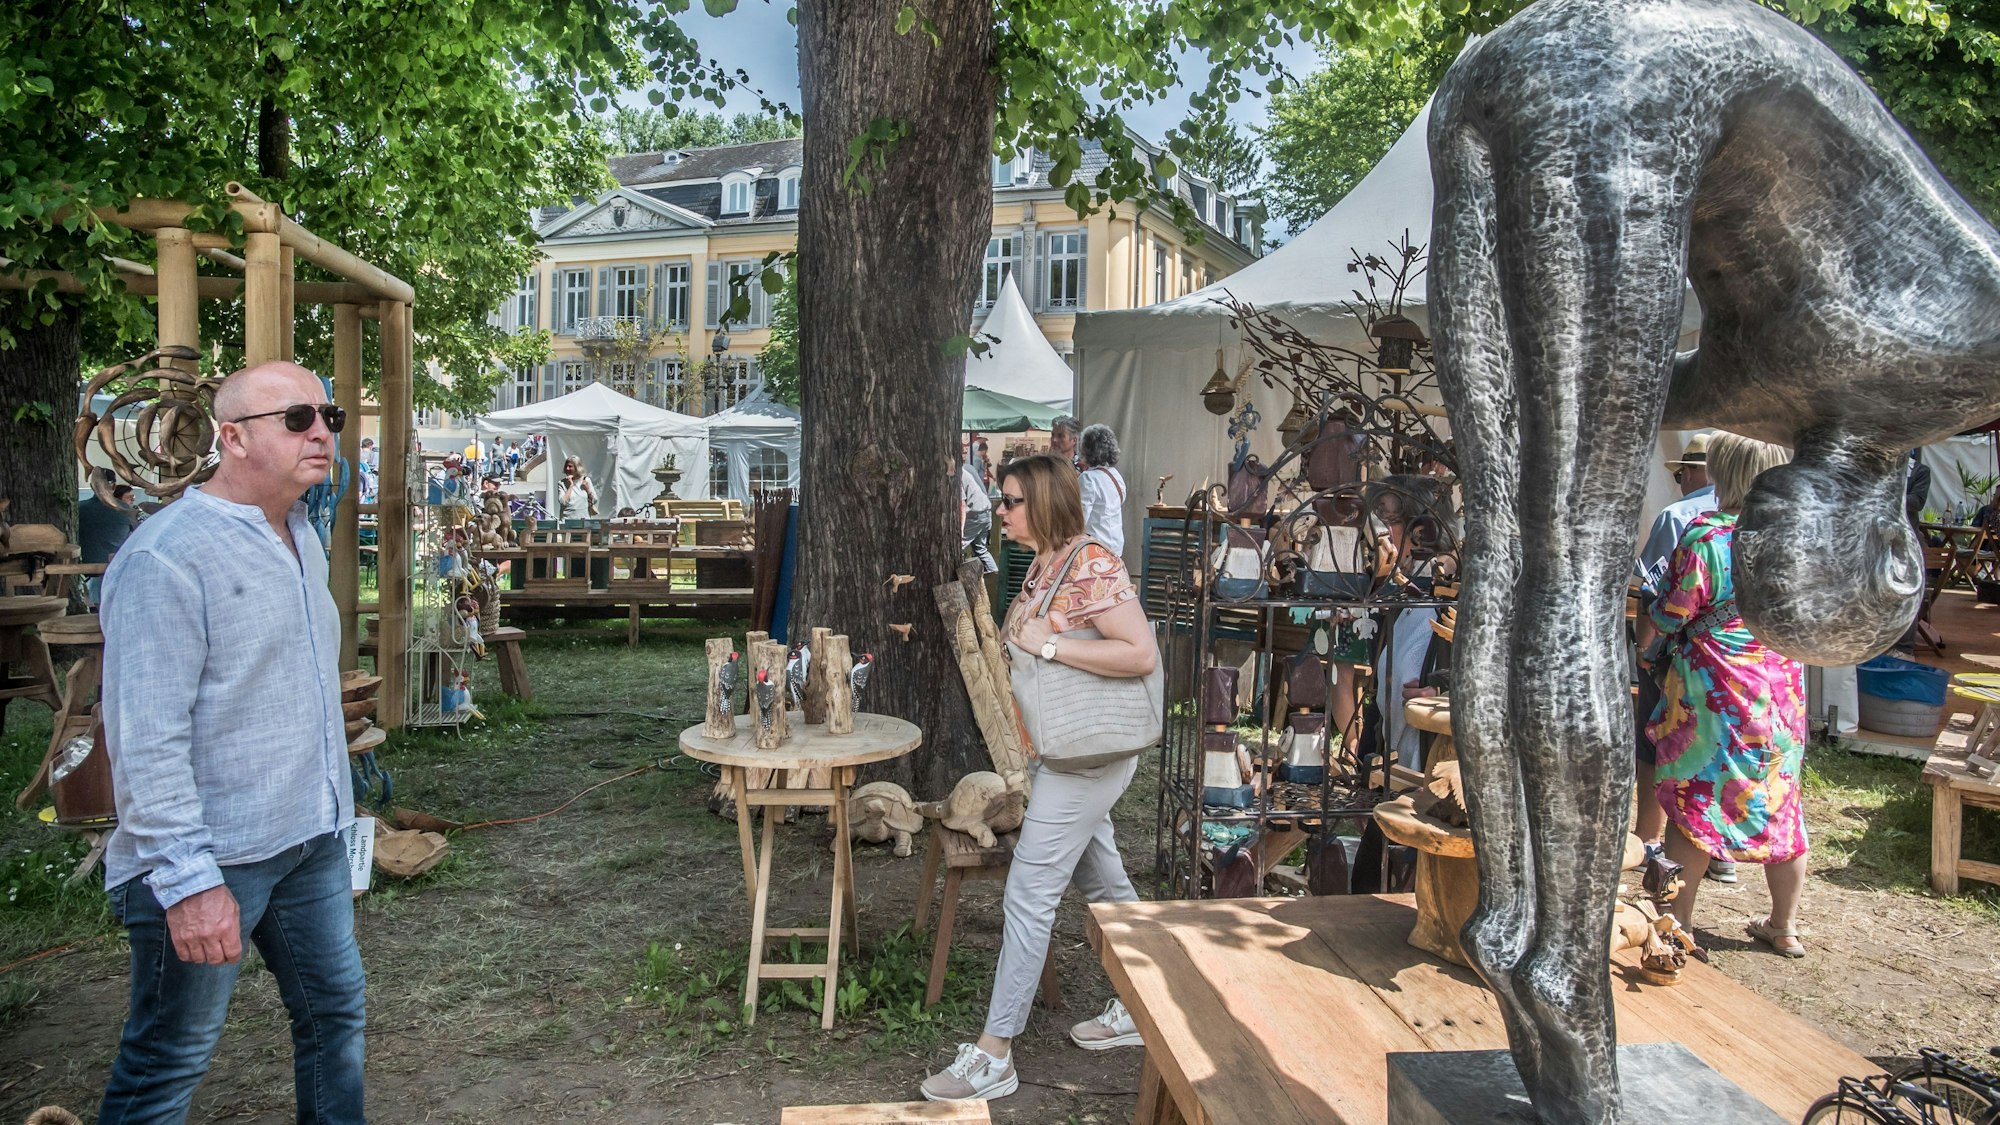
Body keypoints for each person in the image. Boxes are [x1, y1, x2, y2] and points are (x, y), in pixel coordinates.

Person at [96, 361, 364, 1123]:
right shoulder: (167, 555)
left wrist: (336, 816)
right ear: (233, 438)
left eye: (328, 417)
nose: (321, 432)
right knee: (167, 1061)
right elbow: (145, 739)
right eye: (297, 418)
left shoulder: (301, 534)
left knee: (335, 1017)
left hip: (308, 838)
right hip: (213, 853)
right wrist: (187, 880)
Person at [921, 454, 1160, 1103]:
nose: (1001, 510)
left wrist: (1052, 643)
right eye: (1002, 500)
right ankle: (1153, 1002)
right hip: (1062, 753)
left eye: (1013, 500)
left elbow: (1138, 651)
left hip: (1090, 757)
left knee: (1028, 892)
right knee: (1102, 879)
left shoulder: (1090, 565)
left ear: (1048, 503)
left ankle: (996, 1051)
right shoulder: (1046, 564)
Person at [1645, 431, 1810, 958]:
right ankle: (1783, 926)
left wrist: (1651, 622)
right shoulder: (1794, 537)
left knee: (1697, 802)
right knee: (1780, 800)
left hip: (1713, 692)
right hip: (1779, 689)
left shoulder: (1706, 536)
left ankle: (1679, 921)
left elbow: (1674, 611)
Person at [1631, 433, 1720, 865]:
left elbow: (1653, 591)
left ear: (1701, 471)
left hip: (1679, 653)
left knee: (1655, 745)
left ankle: (1647, 837)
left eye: (1684, 471)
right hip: (1740, 661)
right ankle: (1718, 850)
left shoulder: (1682, 517)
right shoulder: (1760, 518)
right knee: (1721, 750)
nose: (1682, 479)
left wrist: (1643, 648)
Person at [77, 481, 141, 606]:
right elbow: (140, 534)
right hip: (111, 568)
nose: (132, 500)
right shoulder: (127, 512)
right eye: (130, 497)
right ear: (113, 487)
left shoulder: (78, 507)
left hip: (80, 565)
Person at [1076, 423, 1128, 557]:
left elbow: (1079, 519)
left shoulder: (1088, 478)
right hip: (1116, 547)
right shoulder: (1116, 475)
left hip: (1095, 549)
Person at [959, 461, 997, 574]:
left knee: (958, 546)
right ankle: (994, 575)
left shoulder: (955, 474)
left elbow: (962, 505)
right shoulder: (968, 468)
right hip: (985, 512)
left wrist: (961, 530)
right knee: (981, 549)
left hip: (975, 514)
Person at [558, 455, 597, 524]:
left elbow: (594, 500)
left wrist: (587, 489)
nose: (567, 468)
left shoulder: (586, 480)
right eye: (566, 466)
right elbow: (563, 501)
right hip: (567, 521)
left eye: (570, 466)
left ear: (577, 467)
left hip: (584, 521)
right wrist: (571, 486)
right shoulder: (562, 483)